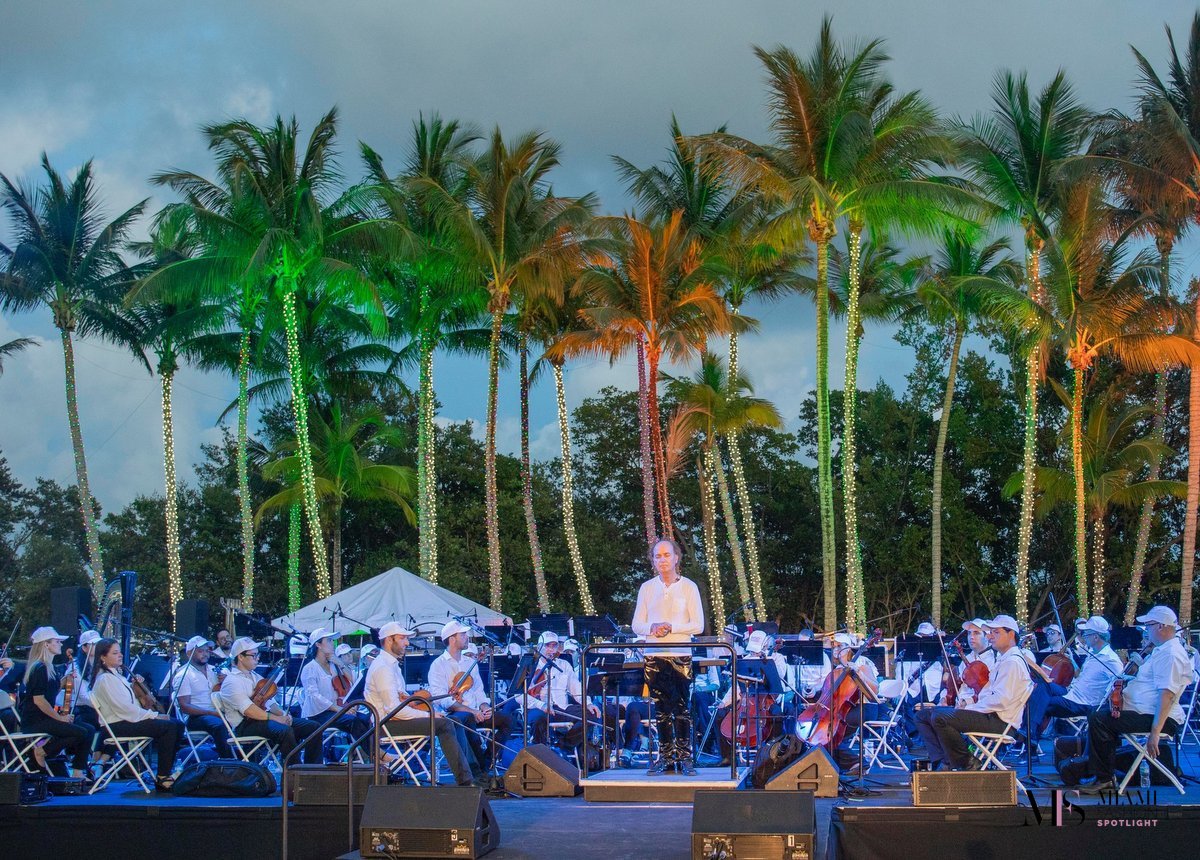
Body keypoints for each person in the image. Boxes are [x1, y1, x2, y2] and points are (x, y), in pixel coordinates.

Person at [1081, 605, 1194, 793]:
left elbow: (1166, 695)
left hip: (1159, 719)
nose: (1146, 631)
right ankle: (1106, 772)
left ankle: (1104, 778)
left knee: (1099, 720)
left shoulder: (1171, 654)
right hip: (1146, 712)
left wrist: (1155, 733)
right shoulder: (1161, 650)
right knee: (1097, 714)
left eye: (1148, 626)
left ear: (1160, 626)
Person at [364, 621, 478, 787]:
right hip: (385, 724)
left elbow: (400, 701)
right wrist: (428, 714)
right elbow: (394, 710)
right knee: (444, 724)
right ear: (389, 640)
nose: (407, 643)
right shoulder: (383, 667)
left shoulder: (391, 665)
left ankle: (472, 773)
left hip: (394, 720)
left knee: (453, 721)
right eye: (402, 638)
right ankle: (466, 781)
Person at [914, 615, 1032, 771]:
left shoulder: (1012, 662)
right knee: (922, 716)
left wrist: (970, 708)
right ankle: (943, 762)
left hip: (1000, 720)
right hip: (989, 714)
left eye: (996, 633)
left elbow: (1000, 700)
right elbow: (987, 692)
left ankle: (967, 762)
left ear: (1011, 635)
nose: (991, 636)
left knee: (940, 717)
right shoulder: (1005, 660)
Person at [632, 538, 705, 776]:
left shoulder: (688, 587)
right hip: (654, 655)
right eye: (657, 556)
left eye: (666, 555)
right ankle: (665, 757)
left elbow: (698, 625)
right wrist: (652, 627)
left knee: (682, 708)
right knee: (660, 709)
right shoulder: (647, 587)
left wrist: (670, 626)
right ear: (652, 560)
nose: (662, 560)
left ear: (676, 557)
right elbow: (636, 624)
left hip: (680, 653)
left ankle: (685, 758)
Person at [90, 638, 185, 791]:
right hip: (117, 725)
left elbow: (131, 704)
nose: (120, 655)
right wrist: (153, 715)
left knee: (178, 724)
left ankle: (168, 770)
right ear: (103, 657)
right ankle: (162, 776)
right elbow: (124, 709)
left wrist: (136, 687)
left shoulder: (116, 677)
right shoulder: (105, 679)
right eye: (115, 653)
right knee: (168, 727)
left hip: (126, 721)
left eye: (119, 652)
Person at [427, 620, 515, 777]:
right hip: (455, 714)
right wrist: (472, 711)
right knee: (466, 718)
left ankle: (487, 761)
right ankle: (477, 770)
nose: (467, 637)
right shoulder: (438, 665)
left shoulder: (470, 662)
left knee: (508, 720)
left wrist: (483, 707)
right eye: (463, 635)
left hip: (476, 712)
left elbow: (478, 690)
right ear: (452, 639)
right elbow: (440, 698)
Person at [217, 637, 323, 764]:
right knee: (284, 730)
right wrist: (277, 718)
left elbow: (270, 702)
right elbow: (249, 710)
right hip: (244, 724)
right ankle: (293, 772)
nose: (258, 658)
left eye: (258, 654)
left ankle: (312, 769)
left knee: (313, 727)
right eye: (254, 655)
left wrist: (283, 715)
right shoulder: (231, 681)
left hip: (262, 719)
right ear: (240, 657)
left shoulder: (256, 677)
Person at [1026, 616, 1123, 744]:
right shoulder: (1091, 653)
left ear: (1096, 637)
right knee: (1042, 685)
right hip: (1071, 694)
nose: (1083, 636)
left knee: (1042, 701)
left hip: (1084, 702)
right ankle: (1029, 736)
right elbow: (1081, 676)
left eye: (1086, 633)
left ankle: (1029, 739)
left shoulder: (1110, 659)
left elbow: (1118, 684)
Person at [19, 626, 96, 780]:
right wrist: (59, 718)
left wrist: (65, 681)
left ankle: (78, 770)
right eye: (57, 641)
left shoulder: (49, 667)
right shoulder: (39, 668)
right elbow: (39, 700)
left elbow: (50, 691)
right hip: (36, 720)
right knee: (80, 732)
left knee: (88, 729)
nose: (61, 644)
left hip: (45, 718)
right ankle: (42, 751)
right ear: (46, 644)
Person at [525, 632, 616, 756]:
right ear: (539, 647)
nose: (551, 649)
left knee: (592, 714)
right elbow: (519, 695)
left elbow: (576, 689)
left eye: (554, 646)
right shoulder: (529, 666)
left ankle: (563, 746)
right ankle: (540, 755)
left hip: (562, 708)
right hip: (538, 707)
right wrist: (541, 705)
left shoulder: (564, 665)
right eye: (548, 646)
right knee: (539, 719)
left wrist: (588, 703)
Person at [299, 628, 370, 747]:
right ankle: (375, 755)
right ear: (318, 645)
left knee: (366, 718)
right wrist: (340, 709)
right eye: (329, 640)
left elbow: (354, 680)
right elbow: (314, 696)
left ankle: (365, 755)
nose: (333, 644)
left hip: (336, 710)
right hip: (318, 714)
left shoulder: (334, 665)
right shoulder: (310, 668)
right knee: (352, 721)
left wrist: (340, 663)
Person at [172, 636, 232, 758]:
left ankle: (249, 760)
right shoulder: (184, 675)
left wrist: (226, 681)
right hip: (195, 717)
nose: (205, 654)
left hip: (218, 711)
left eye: (207, 650)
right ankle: (228, 763)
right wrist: (211, 713)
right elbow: (184, 706)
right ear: (189, 653)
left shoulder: (215, 670)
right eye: (200, 651)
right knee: (218, 724)